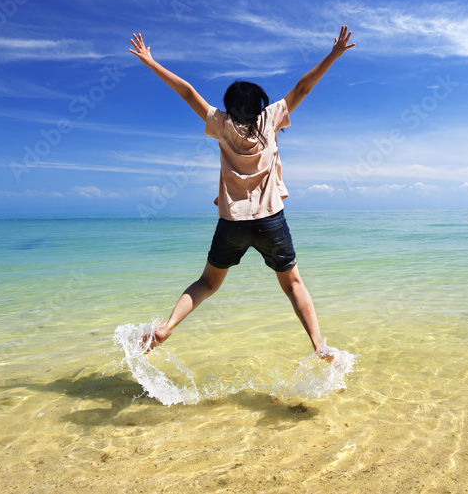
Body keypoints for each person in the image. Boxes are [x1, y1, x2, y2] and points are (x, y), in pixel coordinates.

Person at [129, 25, 355, 361]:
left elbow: (188, 93)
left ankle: (166, 327)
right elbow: (304, 87)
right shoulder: (271, 118)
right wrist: (333, 55)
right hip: (271, 220)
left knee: (207, 283)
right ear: (259, 103)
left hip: (232, 221)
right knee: (293, 284)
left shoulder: (221, 124)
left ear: (231, 107)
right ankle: (319, 346)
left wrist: (151, 62)